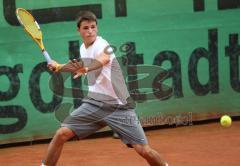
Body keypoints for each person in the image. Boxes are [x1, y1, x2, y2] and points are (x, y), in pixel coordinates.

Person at [42, 11, 168, 166]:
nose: (90, 31)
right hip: (94, 103)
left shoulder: (102, 44)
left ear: (97, 28)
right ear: (79, 31)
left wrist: (87, 69)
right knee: (61, 134)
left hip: (118, 107)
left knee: (143, 150)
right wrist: (59, 66)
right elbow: (82, 64)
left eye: (93, 27)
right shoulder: (83, 47)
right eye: (86, 28)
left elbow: (104, 58)